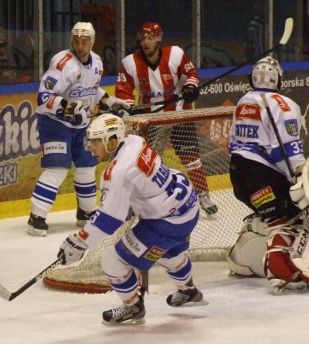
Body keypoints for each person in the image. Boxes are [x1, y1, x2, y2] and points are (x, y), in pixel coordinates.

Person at [57, 113, 206, 325]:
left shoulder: (117, 171)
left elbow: (109, 218)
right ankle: (189, 290)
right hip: (188, 207)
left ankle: (133, 306)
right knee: (169, 252)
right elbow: (139, 184)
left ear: (113, 141)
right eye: (90, 141)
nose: (91, 147)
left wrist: (79, 243)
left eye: (96, 142)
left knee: (112, 260)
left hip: (165, 222)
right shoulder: (135, 141)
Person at [27, 22, 133, 237]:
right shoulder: (63, 62)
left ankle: (85, 213)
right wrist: (67, 107)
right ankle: (36, 217)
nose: (80, 45)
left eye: (85, 41)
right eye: (76, 40)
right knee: (57, 168)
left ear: (92, 42)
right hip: (54, 123)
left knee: (86, 166)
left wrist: (110, 101)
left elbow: (90, 89)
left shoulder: (97, 63)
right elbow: (43, 97)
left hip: (80, 124)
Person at [226, 57, 309, 294]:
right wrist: (297, 175)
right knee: (294, 216)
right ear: (278, 79)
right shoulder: (285, 104)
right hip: (261, 176)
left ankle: (242, 259)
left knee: (269, 214)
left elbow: (233, 145)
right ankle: (278, 268)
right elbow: (285, 149)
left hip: (238, 176)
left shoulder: (243, 101)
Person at [114, 21, 218, 216]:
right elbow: (123, 92)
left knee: (191, 158)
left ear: (158, 39)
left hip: (179, 113)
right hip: (151, 120)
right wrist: (130, 108)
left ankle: (203, 195)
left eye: (150, 38)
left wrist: (190, 88)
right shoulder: (130, 63)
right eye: (143, 38)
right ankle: (137, 202)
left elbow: (191, 75)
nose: (146, 42)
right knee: (147, 162)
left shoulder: (175, 54)